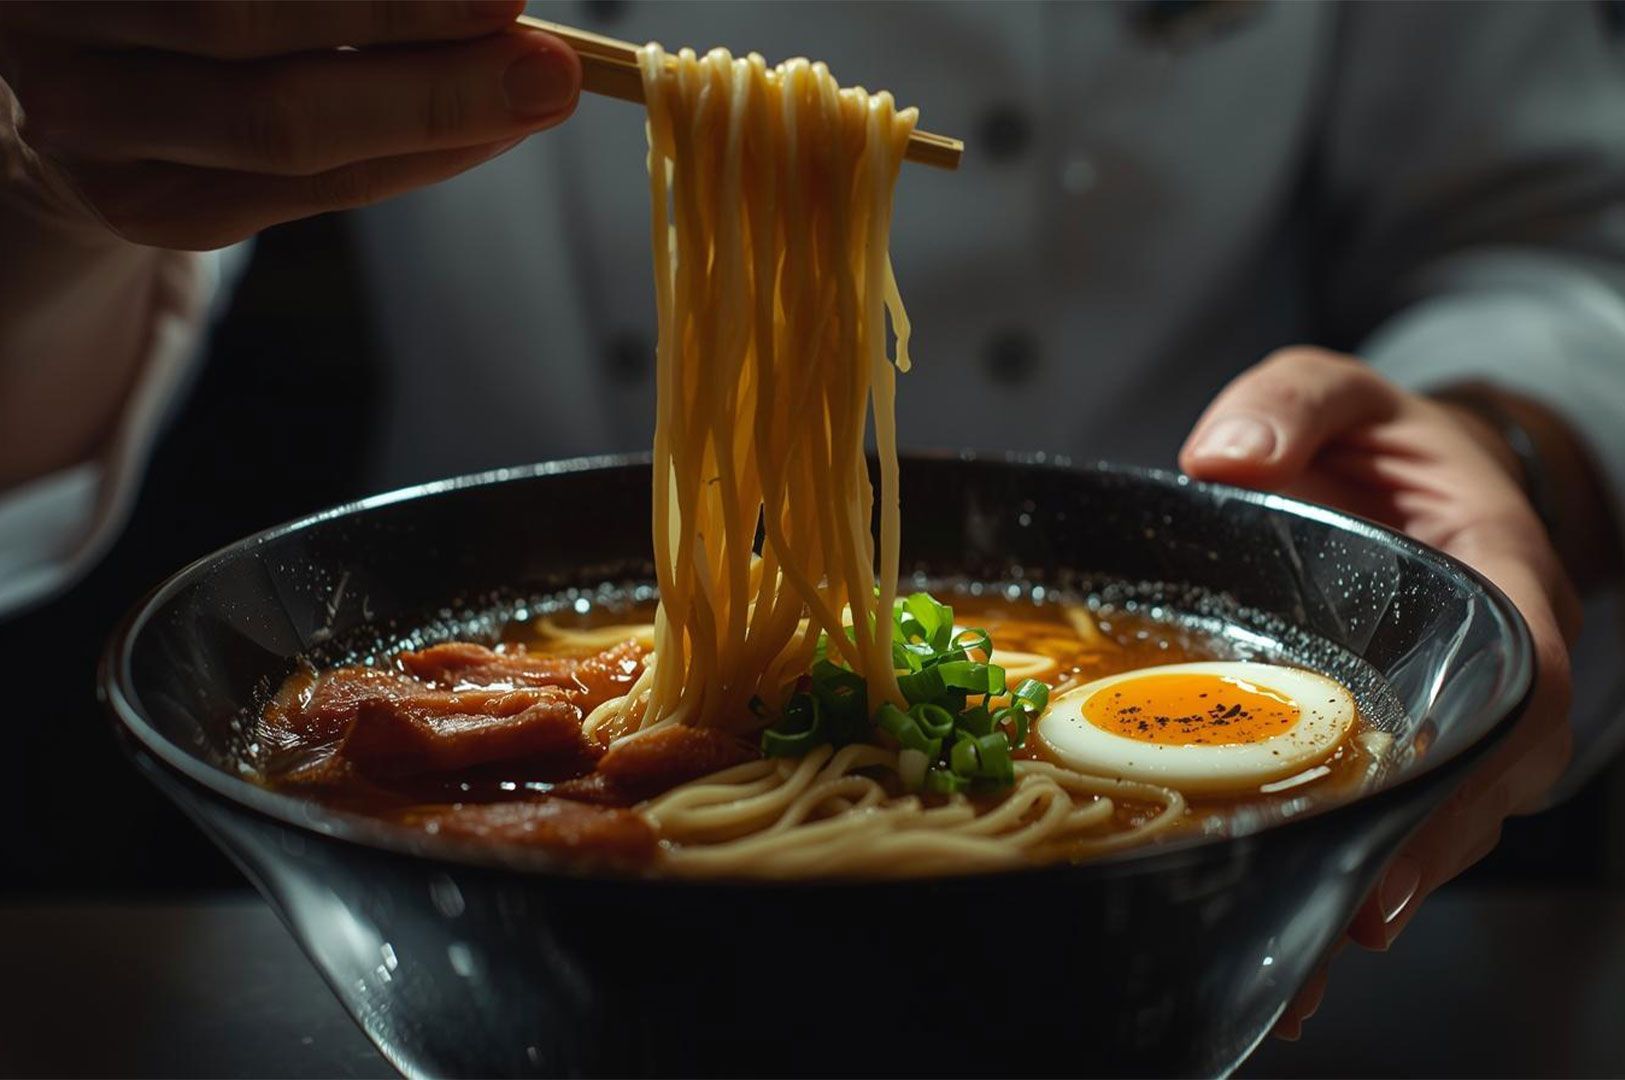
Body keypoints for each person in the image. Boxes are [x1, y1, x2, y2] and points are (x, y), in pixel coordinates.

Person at [1, 0, 1622, 1039]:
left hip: (1183, 831)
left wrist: (1504, 445)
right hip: (491, 939)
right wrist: (42, 197)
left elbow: (1560, 229)